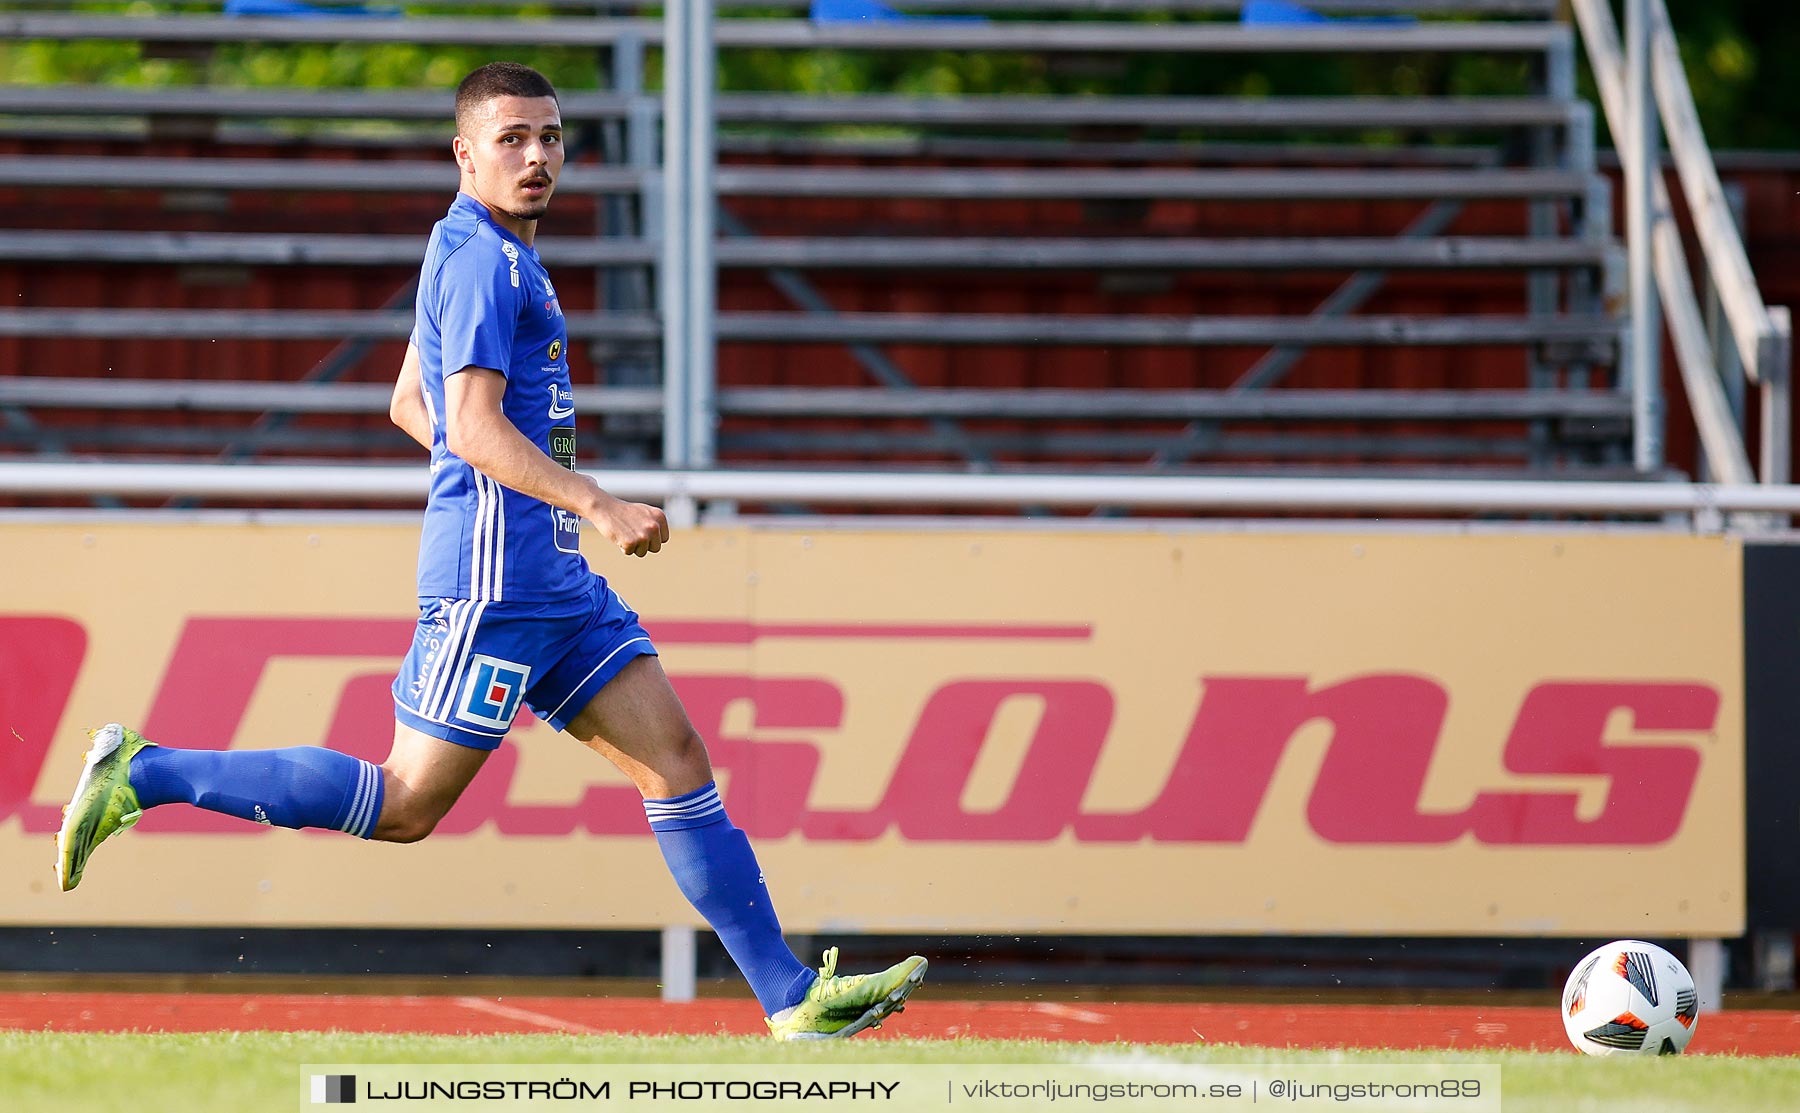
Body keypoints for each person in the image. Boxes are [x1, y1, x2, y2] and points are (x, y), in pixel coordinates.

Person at [54, 61, 926, 1041]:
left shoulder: (483, 247)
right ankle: (147, 773)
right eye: (513, 138)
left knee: (676, 759)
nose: (538, 156)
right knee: (406, 803)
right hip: (496, 585)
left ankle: (789, 998)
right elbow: (464, 424)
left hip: (547, 578)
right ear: (465, 152)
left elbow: (409, 403)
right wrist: (588, 500)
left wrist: (511, 493)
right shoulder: (482, 260)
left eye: (550, 137)